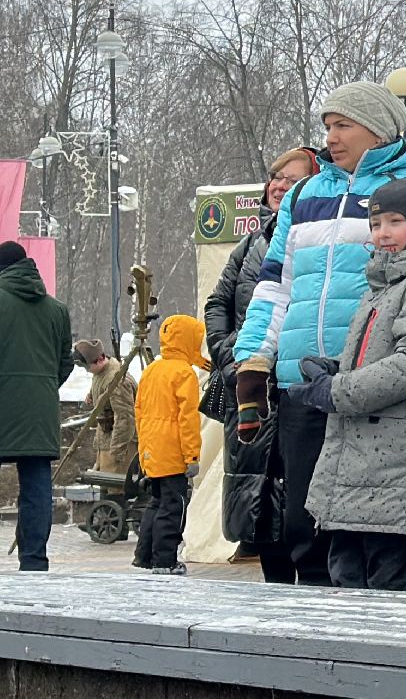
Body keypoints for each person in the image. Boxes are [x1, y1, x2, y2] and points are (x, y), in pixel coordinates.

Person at [232, 83, 406, 585]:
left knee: (368, 529)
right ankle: (316, 636)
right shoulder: (304, 193)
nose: (331, 138)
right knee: (305, 524)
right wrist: (254, 358)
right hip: (303, 382)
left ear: (378, 127)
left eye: (343, 126)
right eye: (327, 126)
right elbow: (276, 283)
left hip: (377, 387)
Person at [293, 178, 406, 591]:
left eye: (395, 222)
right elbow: (381, 356)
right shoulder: (383, 285)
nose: (383, 234)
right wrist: (335, 369)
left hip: (399, 468)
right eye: (376, 224)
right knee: (348, 577)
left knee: (393, 583)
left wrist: (337, 390)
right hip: (359, 465)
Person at [203, 145, 317, 583]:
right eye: (276, 176)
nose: (280, 185)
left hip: (292, 386)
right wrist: (231, 356)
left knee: (298, 505)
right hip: (248, 391)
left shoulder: (314, 240)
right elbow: (218, 302)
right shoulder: (251, 244)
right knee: (259, 509)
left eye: (293, 179)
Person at [0, 241, 70, 572]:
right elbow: (65, 364)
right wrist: (41, 387)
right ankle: (34, 561)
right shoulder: (57, 310)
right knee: (37, 487)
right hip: (39, 413)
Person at [133, 315, 207, 575]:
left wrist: (145, 452)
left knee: (156, 503)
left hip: (153, 450)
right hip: (174, 451)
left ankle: (144, 556)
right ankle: (165, 561)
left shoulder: (152, 369)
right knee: (173, 505)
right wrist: (192, 456)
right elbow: (187, 419)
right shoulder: (184, 373)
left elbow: (139, 410)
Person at [72, 337, 137, 477]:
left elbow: (125, 418)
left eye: (87, 366)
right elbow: (101, 392)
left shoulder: (117, 380)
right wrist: (92, 396)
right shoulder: (101, 372)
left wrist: (118, 452)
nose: (87, 370)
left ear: (100, 359)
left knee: (114, 491)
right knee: (105, 486)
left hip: (118, 445)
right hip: (106, 442)